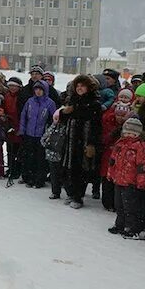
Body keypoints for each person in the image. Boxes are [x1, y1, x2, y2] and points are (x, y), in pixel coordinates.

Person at [56, 74, 102, 209]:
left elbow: (96, 126)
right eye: (78, 86)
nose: (79, 88)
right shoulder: (73, 101)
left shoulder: (94, 104)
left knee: (81, 170)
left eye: (82, 86)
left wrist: (92, 144)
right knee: (68, 168)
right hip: (71, 140)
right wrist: (65, 112)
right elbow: (63, 120)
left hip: (84, 140)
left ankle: (78, 196)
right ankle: (71, 193)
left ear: (89, 88)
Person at [106, 118, 145, 238]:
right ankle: (120, 224)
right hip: (119, 179)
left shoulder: (140, 146)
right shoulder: (120, 143)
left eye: (132, 133)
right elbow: (112, 160)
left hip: (131, 181)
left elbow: (143, 165)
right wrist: (110, 173)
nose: (129, 135)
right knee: (119, 204)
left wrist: (141, 181)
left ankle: (132, 227)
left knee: (130, 207)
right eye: (127, 132)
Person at [18, 81, 57, 188]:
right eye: (36, 89)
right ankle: (29, 178)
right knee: (29, 157)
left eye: (40, 89)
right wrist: (22, 130)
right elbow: (23, 116)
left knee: (40, 159)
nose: (38, 91)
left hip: (42, 135)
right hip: (29, 133)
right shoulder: (30, 101)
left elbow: (54, 119)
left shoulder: (50, 103)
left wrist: (49, 133)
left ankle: (39, 179)